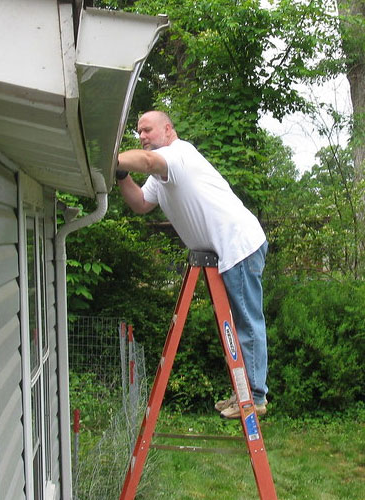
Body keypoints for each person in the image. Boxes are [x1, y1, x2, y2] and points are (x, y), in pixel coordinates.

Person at [115, 110, 269, 418]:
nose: (142, 136)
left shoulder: (178, 155)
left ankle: (254, 397)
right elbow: (141, 204)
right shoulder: (161, 174)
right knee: (234, 325)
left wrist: (111, 158)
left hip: (237, 245)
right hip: (226, 251)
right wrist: (120, 174)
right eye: (139, 132)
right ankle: (245, 393)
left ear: (168, 130)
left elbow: (147, 161)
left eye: (148, 130)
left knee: (246, 324)